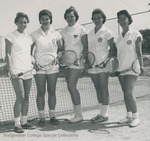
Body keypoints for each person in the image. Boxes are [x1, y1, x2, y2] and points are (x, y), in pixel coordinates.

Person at [30, 9, 63, 126]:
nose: (45, 21)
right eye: (43, 19)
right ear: (40, 20)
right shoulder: (34, 34)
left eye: (47, 19)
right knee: (40, 92)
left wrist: (58, 57)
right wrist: (34, 63)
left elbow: (61, 49)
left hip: (53, 67)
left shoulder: (56, 34)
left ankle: (53, 116)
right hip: (39, 68)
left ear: (50, 20)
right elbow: (30, 52)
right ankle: (42, 117)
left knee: (52, 91)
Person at [5, 12, 35, 133]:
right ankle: (17, 124)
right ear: (16, 23)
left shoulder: (29, 38)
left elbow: (29, 54)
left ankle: (24, 121)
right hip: (16, 71)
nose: (23, 24)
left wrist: (32, 61)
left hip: (28, 70)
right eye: (20, 22)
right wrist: (10, 69)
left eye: (25, 22)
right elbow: (7, 54)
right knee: (20, 97)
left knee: (27, 97)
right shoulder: (10, 36)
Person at [60, 6, 88, 123]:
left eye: (72, 16)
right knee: (70, 87)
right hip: (66, 62)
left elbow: (86, 47)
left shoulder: (82, 29)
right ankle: (76, 113)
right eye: (68, 17)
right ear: (65, 18)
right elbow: (62, 48)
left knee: (72, 86)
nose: (70, 18)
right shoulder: (62, 31)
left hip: (76, 62)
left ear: (76, 17)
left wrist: (81, 59)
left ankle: (79, 115)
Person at [87, 8, 116, 123]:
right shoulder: (89, 32)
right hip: (92, 66)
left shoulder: (107, 32)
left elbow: (113, 49)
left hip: (104, 66)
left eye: (99, 17)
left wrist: (107, 61)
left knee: (104, 89)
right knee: (97, 88)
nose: (97, 20)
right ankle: (101, 113)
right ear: (92, 19)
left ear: (103, 18)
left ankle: (105, 115)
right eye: (95, 18)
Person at [116, 10, 143, 127]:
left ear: (128, 19)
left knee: (129, 92)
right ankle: (128, 116)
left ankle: (136, 117)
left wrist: (141, 65)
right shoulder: (118, 38)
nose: (122, 21)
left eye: (124, 19)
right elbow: (118, 55)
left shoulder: (136, 34)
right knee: (125, 93)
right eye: (120, 19)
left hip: (132, 68)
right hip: (121, 69)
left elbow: (139, 51)